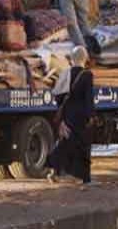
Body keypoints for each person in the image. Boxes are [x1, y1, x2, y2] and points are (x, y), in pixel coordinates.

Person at [47, 46, 94, 185]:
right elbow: (88, 98)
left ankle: (54, 170)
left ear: (72, 59)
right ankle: (84, 177)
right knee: (82, 146)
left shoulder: (65, 74)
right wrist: (91, 116)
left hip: (68, 115)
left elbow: (59, 97)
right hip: (81, 117)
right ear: (85, 59)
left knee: (66, 143)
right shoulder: (87, 75)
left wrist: (61, 120)